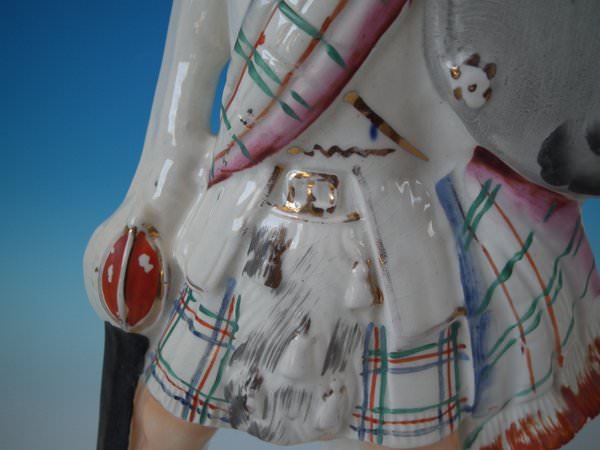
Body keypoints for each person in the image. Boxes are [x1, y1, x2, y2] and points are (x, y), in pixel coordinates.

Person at [84, 1, 600, 449]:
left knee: (412, 435)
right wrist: (148, 208)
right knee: (162, 425)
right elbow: (180, 112)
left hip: (390, 235)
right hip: (248, 225)